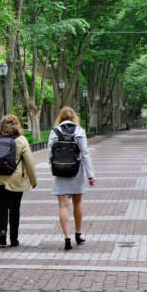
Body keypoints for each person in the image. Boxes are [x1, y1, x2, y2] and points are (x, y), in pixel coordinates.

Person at [0, 114, 37, 248]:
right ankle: (14, 239)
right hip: (17, 180)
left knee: (2, 208)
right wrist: (33, 180)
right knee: (15, 209)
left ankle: (2, 234)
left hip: (0, 179)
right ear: (17, 125)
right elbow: (29, 162)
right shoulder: (22, 140)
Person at [49, 106, 95, 250]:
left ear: (60, 118)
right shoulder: (80, 132)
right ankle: (78, 233)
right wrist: (90, 175)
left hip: (60, 171)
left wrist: (55, 167)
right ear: (74, 117)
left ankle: (67, 237)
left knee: (63, 205)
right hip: (76, 170)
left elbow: (50, 155)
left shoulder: (54, 132)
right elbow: (85, 154)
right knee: (78, 201)